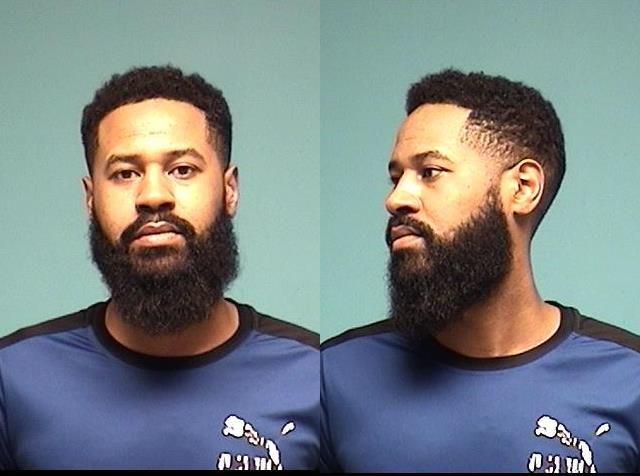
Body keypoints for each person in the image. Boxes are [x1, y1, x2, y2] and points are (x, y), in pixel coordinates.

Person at [320, 69, 640, 473]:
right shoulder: (332, 378)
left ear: (522, 188)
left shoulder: (629, 380)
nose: (396, 198)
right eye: (396, 178)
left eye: (429, 172)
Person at [0, 65, 319, 470]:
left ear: (229, 190)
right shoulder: (12, 377)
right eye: (125, 173)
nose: (153, 195)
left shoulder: (314, 375)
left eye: (182, 170)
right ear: (90, 199)